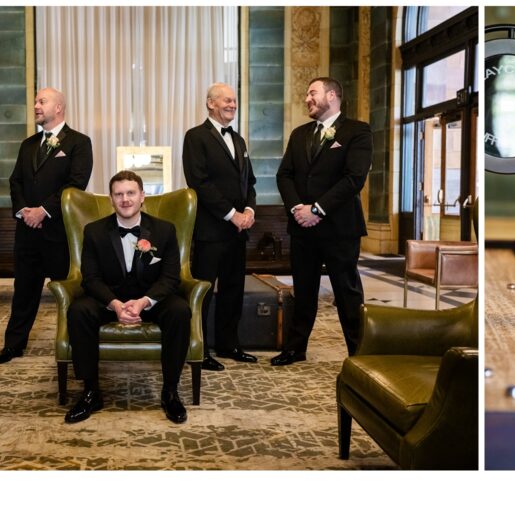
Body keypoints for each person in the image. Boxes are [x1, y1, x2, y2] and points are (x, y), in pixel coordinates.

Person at [64, 171, 191, 424]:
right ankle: (91, 392)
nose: (125, 199)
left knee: (180, 310)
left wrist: (144, 302)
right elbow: (91, 278)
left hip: (151, 299)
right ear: (111, 199)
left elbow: (170, 278)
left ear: (142, 196)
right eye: (118, 194)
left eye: (130, 193)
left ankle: (170, 392)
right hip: (110, 299)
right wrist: (115, 304)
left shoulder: (164, 230)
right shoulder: (94, 231)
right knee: (79, 310)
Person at [273, 77, 372, 365]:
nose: (307, 98)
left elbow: (354, 178)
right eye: (306, 94)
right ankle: (295, 348)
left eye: (312, 93)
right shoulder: (300, 133)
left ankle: (359, 352)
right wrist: (297, 209)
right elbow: (284, 175)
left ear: (332, 95)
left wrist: (316, 209)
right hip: (302, 227)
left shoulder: (357, 131)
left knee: (346, 291)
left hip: (340, 227)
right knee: (304, 290)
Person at [0, 88, 93, 365]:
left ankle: (74, 344)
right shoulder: (27, 144)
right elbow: (15, 181)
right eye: (36, 101)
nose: (36, 105)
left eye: (42, 101)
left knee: (67, 294)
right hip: (27, 233)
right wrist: (24, 211)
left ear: (58, 107)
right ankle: (13, 346)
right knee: (23, 292)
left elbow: (75, 184)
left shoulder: (79, 143)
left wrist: (44, 211)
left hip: (59, 233)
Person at [182, 82, 258, 371]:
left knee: (233, 290)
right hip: (210, 231)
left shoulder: (239, 140)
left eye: (235, 101)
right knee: (203, 291)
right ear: (210, 103)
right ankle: (198, 349)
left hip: (238, 231)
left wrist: (249, 209)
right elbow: (199, 183)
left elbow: (249, 182)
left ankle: (229, 344)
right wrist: (231, 214)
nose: (233, 105)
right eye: (227, 100)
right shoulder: (195, 137)